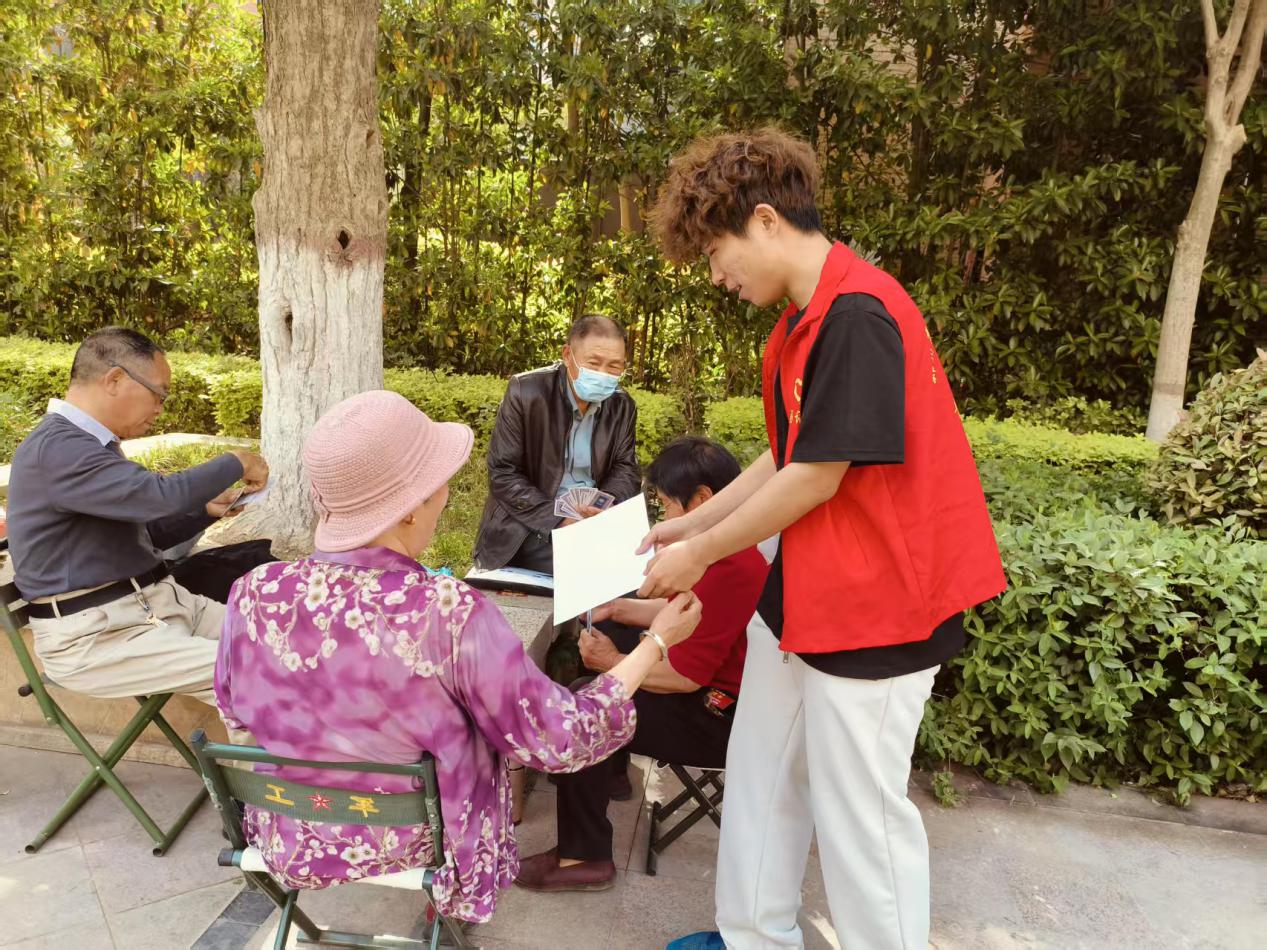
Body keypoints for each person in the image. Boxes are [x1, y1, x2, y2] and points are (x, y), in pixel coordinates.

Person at [639, 129, 1007, 950]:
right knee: (763, 783)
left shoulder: (859, 314)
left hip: (879, 611)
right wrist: (693, 522)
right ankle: (749, 937)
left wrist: (699, 554)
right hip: (803, 599)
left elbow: (816, 476)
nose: (716, 275)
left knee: (860, 823)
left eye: (716, 252)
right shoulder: (805, 319)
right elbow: (788, 451)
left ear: (765, 221)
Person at [214, 390, 703, 924]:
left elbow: (234, 709)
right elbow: (560, 737)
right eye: (438, 483)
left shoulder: (255, 589)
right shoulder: (446, 611)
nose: (445, 494)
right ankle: (449, 911)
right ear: (408, 508)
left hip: (289, 825)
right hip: (420, 837)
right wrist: (655, 644)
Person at [514, 437, 769, 893]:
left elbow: (684, 678)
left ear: (702, 500)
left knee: (587, 704)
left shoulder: (731, 567)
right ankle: (609, 771)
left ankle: (583, 857)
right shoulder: (727, 550)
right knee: (615, 633)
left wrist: (614, 662)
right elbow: (681, 612)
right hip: (719, 693)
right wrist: (619, 609)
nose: (664, 516)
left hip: (717, 717)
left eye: (667, 504)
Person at [6, 326, 269, 705]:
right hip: (97, 636)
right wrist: (236, 461)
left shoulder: (91, 444)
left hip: (156, 606)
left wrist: (204, 511)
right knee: (254, 673)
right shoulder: (58, 449)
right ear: (115, 379)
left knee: (283, 640)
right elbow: (162, 495)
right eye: (158, 394)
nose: (160, 409)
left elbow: (146, 533)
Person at [473, 314, 641, 574]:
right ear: (567, 355)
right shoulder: (526, 392)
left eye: (614, 367)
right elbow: (503, 472)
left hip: (593, 520)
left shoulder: (622, 406)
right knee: (588, 567)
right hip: (531, 522)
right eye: (594, 363)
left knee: (642, 561)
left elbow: (625, 468)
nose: (603, 374)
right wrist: (558, 518)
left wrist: (604, 508)